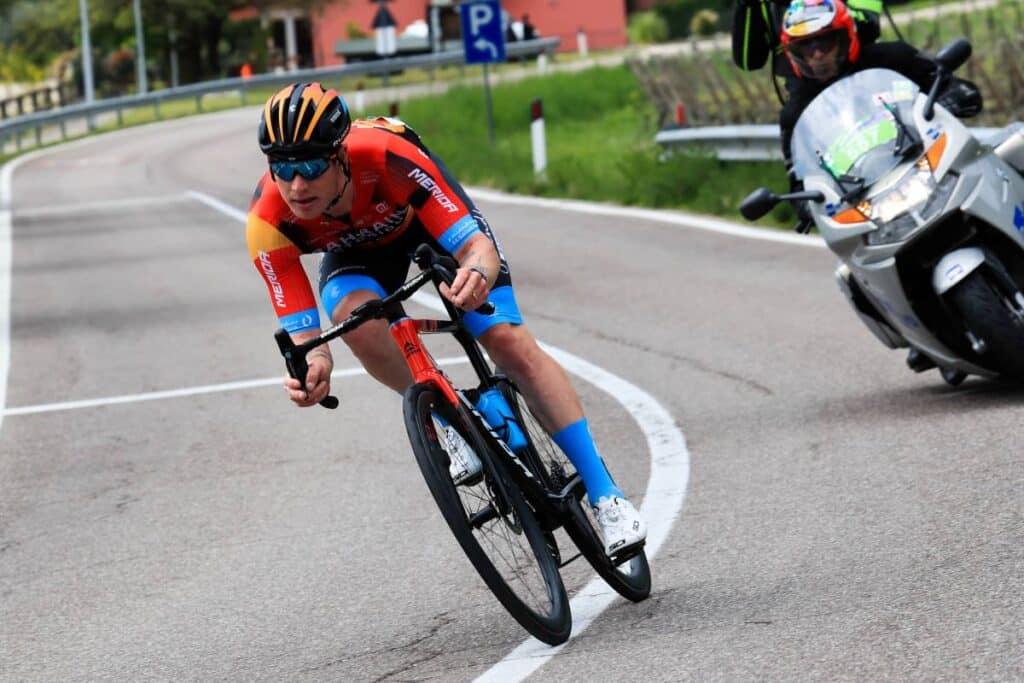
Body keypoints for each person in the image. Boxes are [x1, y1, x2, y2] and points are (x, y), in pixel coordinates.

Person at [246, 82, 647, 558]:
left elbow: (476, 249)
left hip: (427, 227)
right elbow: (307, 336)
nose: (297, 185)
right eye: (284, 169)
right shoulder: (267, 223)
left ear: (340, 156)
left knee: (505, 339)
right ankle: (449, 422)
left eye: (310, 166)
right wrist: (316, 367)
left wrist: (476, 274)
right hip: (354, 254)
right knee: (352, 317)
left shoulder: (386, 156)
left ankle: (606, 495)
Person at [777, 0, 981, 185]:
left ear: (844, 36)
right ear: (792, 52)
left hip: (931, 160)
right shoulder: (796, 111)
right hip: (863, 195)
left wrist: (949, 101)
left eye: (825, 41)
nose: (818, 54)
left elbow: (960, 90)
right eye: (806, 46)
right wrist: (807, 204)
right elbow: (798, 177)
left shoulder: (894, 58)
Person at [732, 0, 881, 97]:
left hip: (860, 76)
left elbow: (869, 27)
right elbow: (749, 61)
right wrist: (748, 5)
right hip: (806, 97)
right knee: (790, 119)